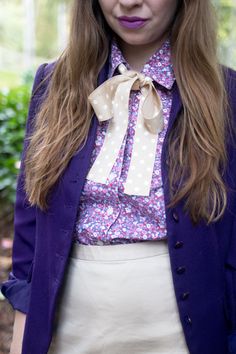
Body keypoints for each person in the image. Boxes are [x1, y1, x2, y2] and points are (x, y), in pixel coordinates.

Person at [1, 0, 236, 353]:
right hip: (69, 332)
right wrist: (23, 339)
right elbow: (30, 232)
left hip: (183, 335)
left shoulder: (226, 95)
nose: (128, 2)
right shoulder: (53, 83)